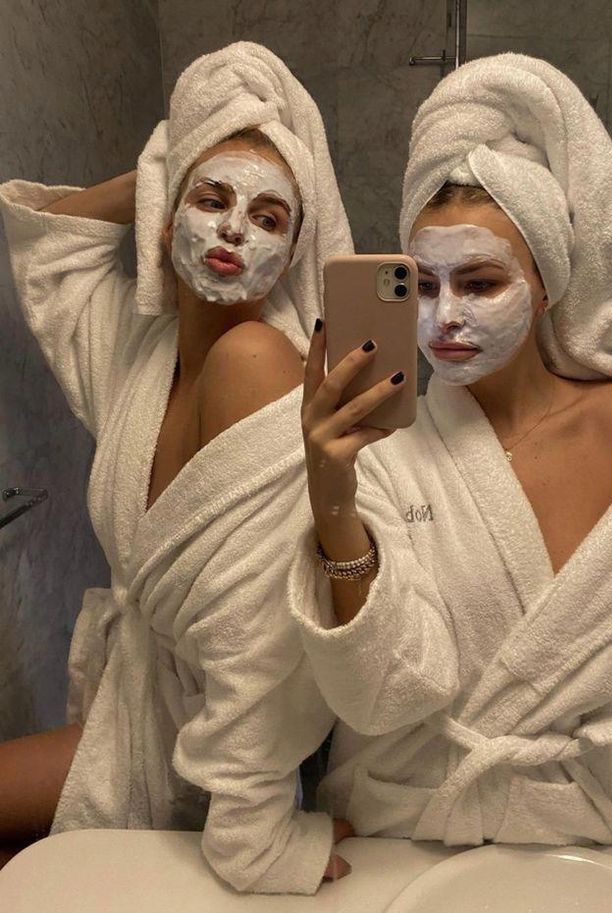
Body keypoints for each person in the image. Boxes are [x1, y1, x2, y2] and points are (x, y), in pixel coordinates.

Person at [291, 53, 612, 848]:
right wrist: (332, 495)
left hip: (576, 836)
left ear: (548, 281)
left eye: (480, 282)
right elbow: (379, 698)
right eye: (421, 285)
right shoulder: (387, 451)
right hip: (398, 826)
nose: (443, 319)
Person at [0, 43, 353, 892]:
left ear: (291, 253)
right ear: (165, 220)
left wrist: (255, 833)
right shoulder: (143, 353)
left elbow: (261, 646)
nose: (234, 228)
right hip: (132, 713)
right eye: (211, 198)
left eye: (271, 218)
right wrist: (161, 167)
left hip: (214, 759)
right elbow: (55, 256)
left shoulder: (256, 362)